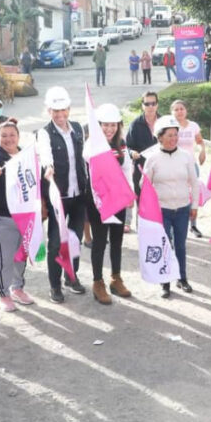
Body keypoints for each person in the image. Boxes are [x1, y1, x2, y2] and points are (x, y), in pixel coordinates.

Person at [36, 87, 87, 302]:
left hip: (79, 194)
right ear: (49, 111)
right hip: (59, 197)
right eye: (55, 111)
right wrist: (48, 167)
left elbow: (85, 157)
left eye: (63, 110)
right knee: (56, 242)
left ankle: (71, 277)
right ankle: (55, 285)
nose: (60, 115)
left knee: (75, 239)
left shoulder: (77, 129)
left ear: (69, 109)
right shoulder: (45, 133)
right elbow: (45, 154)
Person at [83, 104, 134, 304]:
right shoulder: (91, 145)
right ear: (98, 126)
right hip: (98, 200)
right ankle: (98, 282)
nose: (109, 129)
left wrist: (129, 193)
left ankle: (116, 278)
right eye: (105, 125)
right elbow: (87, 157)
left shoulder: (121, 144)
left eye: (113, 125)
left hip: (118, 198)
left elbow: (127, 168)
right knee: (100, 242)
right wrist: (98, 142)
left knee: (117, 240)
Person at [0, 119, 34, 311]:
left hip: (24, 215)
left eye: (12, 135)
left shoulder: (24, 155)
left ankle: (17, 288)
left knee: (21, 255)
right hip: (2, 218)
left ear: (18, 136)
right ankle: (3, 294)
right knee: (4, 258)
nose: (8, 139)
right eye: (4, 136)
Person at [144, 115, 198, 298]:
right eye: (169, 135)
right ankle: (165, 281)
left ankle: (182, 278)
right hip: (162, 211)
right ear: (159, 137)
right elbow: (144, 186)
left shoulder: (186, 156)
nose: (173, 138)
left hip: (183, 208)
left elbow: (194, 182)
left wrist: (195, 206)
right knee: (165, 245)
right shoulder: (152, 159)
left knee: (181, 245)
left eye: (176, 135)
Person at [171, 100, 206, 236]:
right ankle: (175, 227)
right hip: (175, 166)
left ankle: (193, 225)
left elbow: (199, 141)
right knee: (177, 195)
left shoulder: (193, 126)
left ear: (186, 111)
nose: (179, 111)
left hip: (191, 165)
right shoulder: (171, 126)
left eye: (182, 109)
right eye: (176, 109)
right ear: (172, 112)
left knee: (193, 195)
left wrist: (202, 150)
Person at [126, 91, 159, 198]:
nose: (150, 106)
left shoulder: (164, 122)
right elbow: (127, 146)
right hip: (141, 170)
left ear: (157, 105)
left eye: (153, 103)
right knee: (143, 205)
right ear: (142, 106)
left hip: (161, 169)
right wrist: (132, 153)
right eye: (147, 104)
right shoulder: (135, 124)